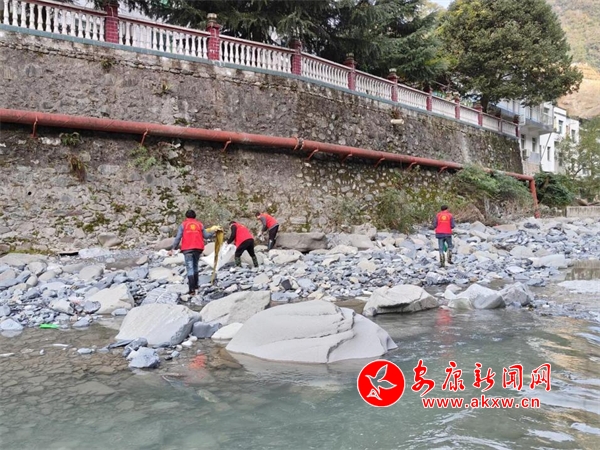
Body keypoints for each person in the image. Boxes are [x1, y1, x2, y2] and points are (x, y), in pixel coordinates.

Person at [168, 210, 215, 295]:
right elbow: (206, 236)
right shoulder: (199, 224)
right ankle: (196, 286)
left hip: (187, 249)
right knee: (195, 266)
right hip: (198, 249)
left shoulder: (183, 225)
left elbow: (178, 237)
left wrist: (173, 248)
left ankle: (192, 289)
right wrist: (213, 231)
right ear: (195, 216)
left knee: (190, 268)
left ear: (186, 216)